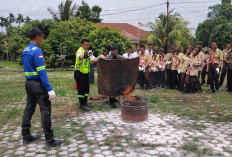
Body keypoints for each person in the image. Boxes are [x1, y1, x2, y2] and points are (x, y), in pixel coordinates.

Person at [21, 28, 62, 147]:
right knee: (45, 111)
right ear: (38, 37)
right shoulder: (37, 51)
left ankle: (26, 136)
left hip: (28, 83)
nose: (42, 40)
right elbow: (42, 72)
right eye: (42, 37)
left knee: (29, 108)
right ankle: (50, 140)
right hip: (38, 84)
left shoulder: (25, 50)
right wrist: (49, 89)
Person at [74, 39, 92, 111]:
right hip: (79, 73)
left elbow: (89, 61)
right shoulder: (80, 51)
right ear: (82, 45)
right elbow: (80, 57)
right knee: (81, 90)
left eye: (89, 45)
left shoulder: (86, 51)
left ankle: (85, 103)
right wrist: (87, 54)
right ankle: (82, 105)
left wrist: (98, 58)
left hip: (85, 73)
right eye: (86, 45)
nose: (88, 46)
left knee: (86, 89)